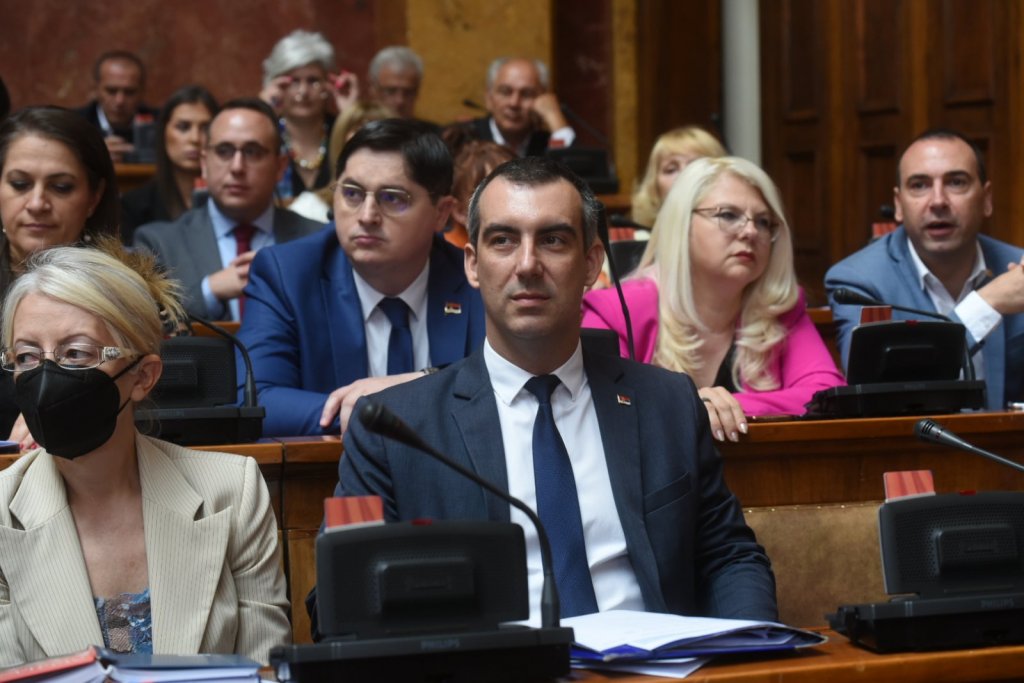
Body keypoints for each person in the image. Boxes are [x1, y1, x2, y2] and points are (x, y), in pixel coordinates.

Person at [310, 156, 777, 632]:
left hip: (653, 662)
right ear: (472, 264)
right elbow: (339, 596)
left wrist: (755, 654)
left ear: (591, 263)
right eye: (503, 240)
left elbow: (728, 556)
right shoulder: (393, 429)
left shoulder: (668, 404)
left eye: (553, 240)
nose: (528, 264)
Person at [0, 240, 289, 666]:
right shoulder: (2, 513)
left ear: (142, 376)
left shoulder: (231, 493)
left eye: (75, 353)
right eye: (27, 356)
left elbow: (264, 669)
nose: (46, 377)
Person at [237, 118, 485, 436]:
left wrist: (418, 387)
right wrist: (372, 415)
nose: (367, 216)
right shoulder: (287, 275)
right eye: (352, 194)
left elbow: (511, 381)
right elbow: (257, 401)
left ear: (441, 213)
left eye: (392, 198)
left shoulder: (475, 279)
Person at [582, 157, 845, 441]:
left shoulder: (779, 309)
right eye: (728, 215)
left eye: (763, 221)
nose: (751, 232)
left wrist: (718, 407)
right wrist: (694, 406)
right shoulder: (616, 311)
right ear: (682, 224)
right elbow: (605, 407)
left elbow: (826, 394)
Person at [825, 129, 1024, 410]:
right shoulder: (859, 282)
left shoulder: (1016, 268)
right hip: (913, 439)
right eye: (919, 185)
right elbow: (878, 387)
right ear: (898, 205)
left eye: (956, 182)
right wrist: (986, 304)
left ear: (987, 198)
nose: (938, 201)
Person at [133, 98, 322, 321]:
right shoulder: (158, 244)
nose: (237, 167)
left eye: (252, 152)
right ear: (204, 164)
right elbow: (146, 325)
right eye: (224, 151)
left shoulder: (318, 240)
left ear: (280, 167)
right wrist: (209, 291)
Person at [0, 106, 122, 438]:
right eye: (20, 184)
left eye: (61, 187)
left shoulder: (128, 290)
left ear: (94, 197)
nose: (37, 203)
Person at [259, 30, 358, 202]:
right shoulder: (267, 133)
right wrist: (262, 112)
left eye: (313, 81)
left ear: (328, 85)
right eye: (294, 82)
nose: (303, 91)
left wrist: (350, 115)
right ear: (275, 85)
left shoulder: (342, 131)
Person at [120, 85, 219, 242]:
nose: (195, 138)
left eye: (205, 128)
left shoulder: (232, 200)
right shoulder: (135, 205)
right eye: (183, 127)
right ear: (163, 133)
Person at [287, 100, 393, 223]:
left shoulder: (405, 211)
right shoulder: (309, 209)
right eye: (357, 150)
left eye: (379, 149)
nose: (368, 161)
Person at [466, 57, 574, 157]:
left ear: (542, 99)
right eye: (505, 92)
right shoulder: (464, 139)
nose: (514, 103)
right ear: (489, 98)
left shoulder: (547, 143)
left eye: (526, 94)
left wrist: (554, 116)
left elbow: (576, 168)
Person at [631, 125, 727, 228]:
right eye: (671, 169)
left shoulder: (738, 232)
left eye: (695, 166)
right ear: (655, 188)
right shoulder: (636, 236)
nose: (683, 174)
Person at [73, 51, 156, 162]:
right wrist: (93, 154)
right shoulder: (75, 124)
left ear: (142, 92)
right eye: (111, 91)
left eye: (129, 92)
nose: (119, 101)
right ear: (95, 89)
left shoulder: (160, 124)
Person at [444, 137, 516, 248]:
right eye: (495, 196)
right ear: (461, 212)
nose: (511, 201)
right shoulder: (447, 253)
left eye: (515, 187)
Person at [368, 46, 425, 120]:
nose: (400, 101)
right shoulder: (358, 127)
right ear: (373, 91)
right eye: (391, 91)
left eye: (408, 93)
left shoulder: (428, 128)